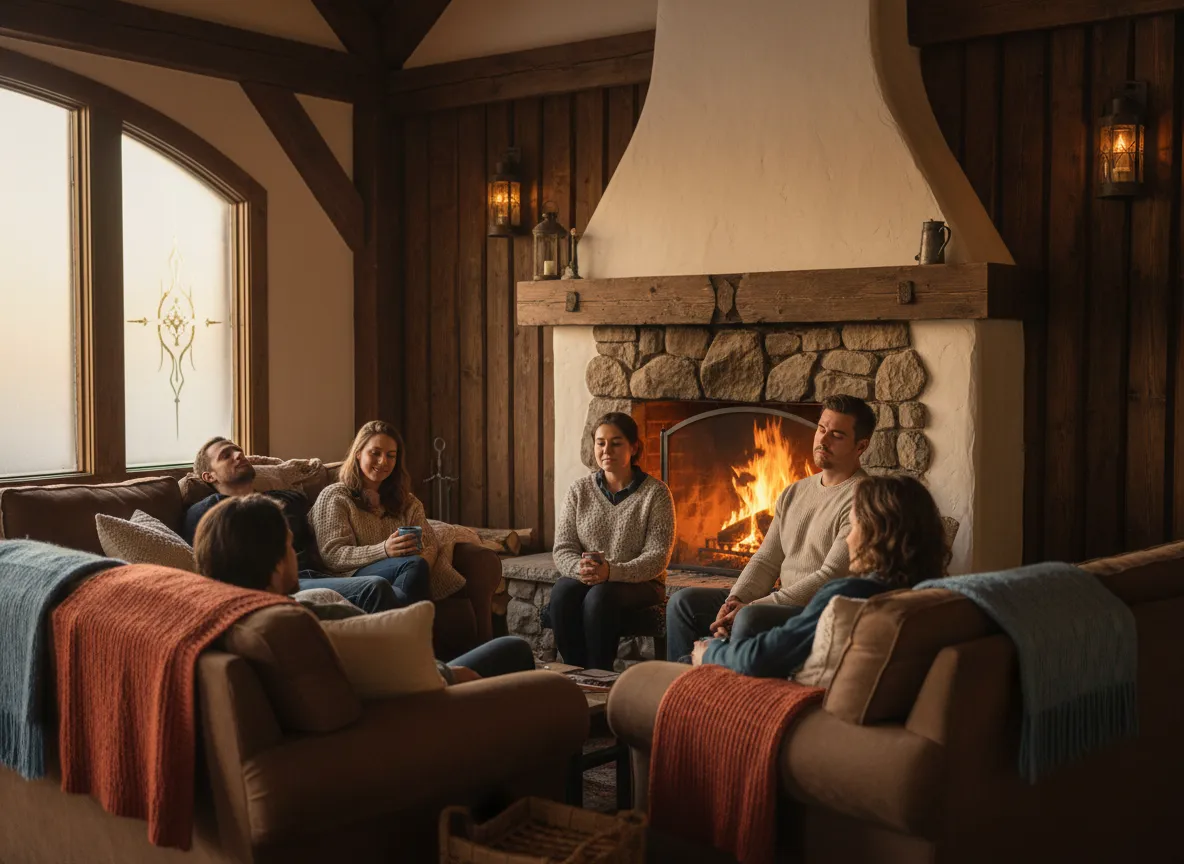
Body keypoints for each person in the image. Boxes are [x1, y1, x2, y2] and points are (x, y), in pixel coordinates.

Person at [194, 494, 535, 683]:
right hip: (415, 715)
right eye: (288, 546)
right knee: (514, 648)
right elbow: (418, 676)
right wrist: (452, 675)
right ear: (277, 562)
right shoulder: (321, 614)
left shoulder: (219, 626)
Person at [666, 394, 876, 662]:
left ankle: (712, 680)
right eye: (821, 429)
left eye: (837, 435)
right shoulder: (794, 492)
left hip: (814, 609)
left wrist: (751, 606)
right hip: (778, 599)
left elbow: (830, 577)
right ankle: (682, 685)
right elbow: (766, 559)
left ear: (861, 446)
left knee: (750, 617)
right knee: (683, 603)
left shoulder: (865, 498)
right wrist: (735, 599)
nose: (822, 440)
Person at [690, 473, 949, 677]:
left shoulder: (849, 595)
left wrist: (712, 652)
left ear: (875, 534)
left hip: (786, 695)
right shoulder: (933, 594)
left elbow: (762, 657)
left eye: (854, 524)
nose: (848, 538)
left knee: (691, 655)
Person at [182, 436, 398, 614]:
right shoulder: (209, 511)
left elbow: (323, 520)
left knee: (409, 567)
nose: (239, 455)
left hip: (324, 571)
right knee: (376, 587)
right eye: (226, 456)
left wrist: (363, 497)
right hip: (284, 581)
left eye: (238, 450)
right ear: (209, 476)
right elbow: (215, 561)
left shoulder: (288, 499)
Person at [550, 412, 675, 671]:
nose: (607, 450)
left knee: (600, 596)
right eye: (600, 442)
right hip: (592, 578)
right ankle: (575, 674)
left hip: (643, 583)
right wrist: (580, 570)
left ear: (634, 447)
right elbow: (563, 547)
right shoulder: (579, 490)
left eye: (616, 442)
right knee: (562, 592)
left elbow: (657, 557)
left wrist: (611, 572)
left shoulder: (656, 493)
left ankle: (599, 675)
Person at [310, 421, 453, 610]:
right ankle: (410, 628)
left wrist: (418, 567)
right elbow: (332, 555)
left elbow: (430, 544)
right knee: (412, 566)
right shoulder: (335, 496)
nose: (383, 461)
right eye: (375, 453)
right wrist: (384, 550)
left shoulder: (408, 502)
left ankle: (400, 625)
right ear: (358, 453)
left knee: (415, 565)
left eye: (390, 456)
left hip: (399, 572)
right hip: (345, 577)